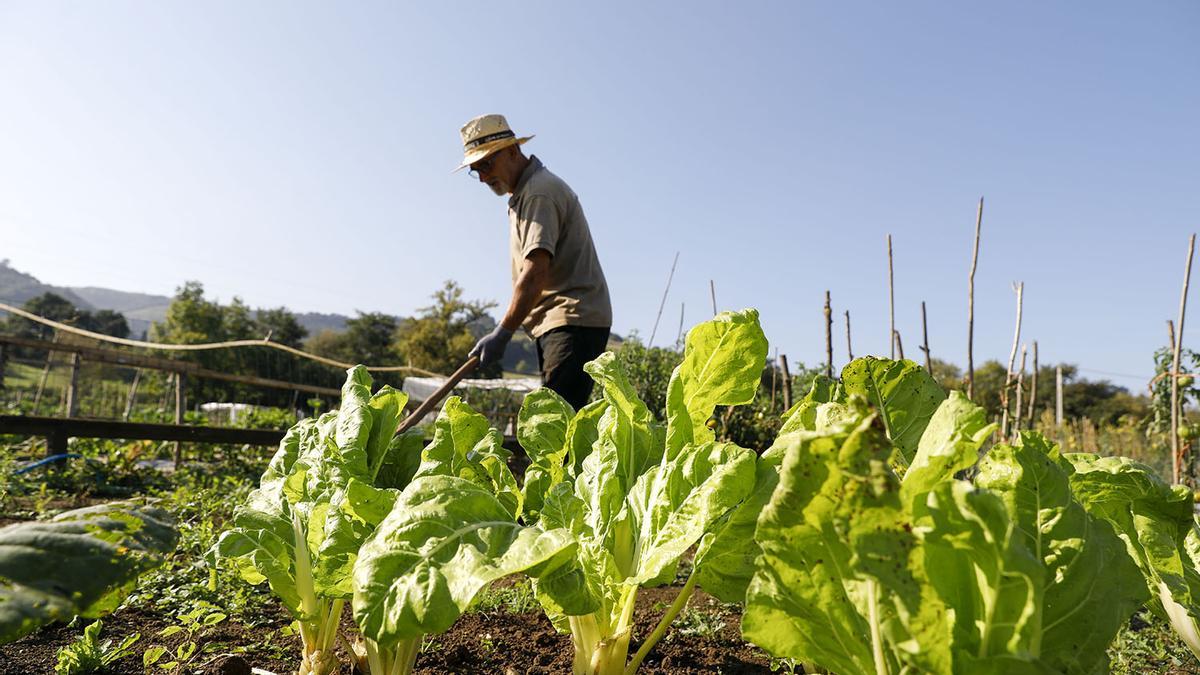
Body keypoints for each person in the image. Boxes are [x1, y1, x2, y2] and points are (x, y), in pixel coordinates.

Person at [458, 114, 612, 410]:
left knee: (557, 428)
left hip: (573, 318)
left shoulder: (539, 192)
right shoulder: (524, 195)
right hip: (558, 321)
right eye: (475, 170)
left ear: (513, 151)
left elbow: (535, 271)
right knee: (557, 424)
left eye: (487, 164)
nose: (482, 177)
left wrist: (503, 332)